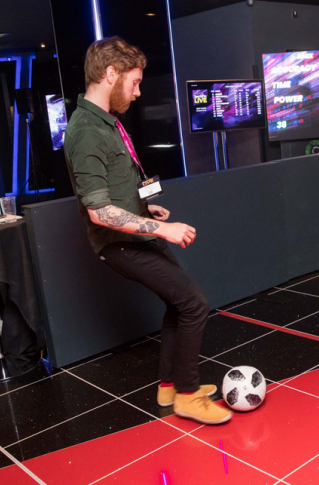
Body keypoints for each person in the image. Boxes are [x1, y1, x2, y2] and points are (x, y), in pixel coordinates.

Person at [64, 36, 231, 425]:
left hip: (137, 233)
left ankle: (169, 388)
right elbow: (99, 212)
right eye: (135, 82)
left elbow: (114, 191)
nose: (138, 92)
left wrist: (143, 207)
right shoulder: (86, 130)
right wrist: (162, 228)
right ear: (111, 74)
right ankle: (187, 396)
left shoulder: (106, 121)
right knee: (194, 303)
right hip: (120, 243)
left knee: (180, 303)